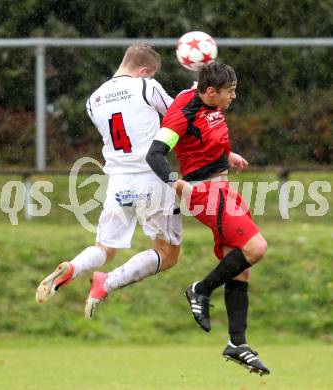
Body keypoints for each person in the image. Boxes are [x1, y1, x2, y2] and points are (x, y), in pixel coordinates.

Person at [36, 44, 182, 320]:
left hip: (117, 182)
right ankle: (108, 282)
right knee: (167, 253)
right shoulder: (146, 87)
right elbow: (178, 116)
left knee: (105, 248)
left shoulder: (93, 100)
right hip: (151, 177)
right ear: (143, 71)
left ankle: (74, 267)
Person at [144, 62, 270, 375]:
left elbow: (203, 137)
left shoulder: (207, 101)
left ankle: (237, 344)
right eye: (231, 91)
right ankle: (200, 288)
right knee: (256, 248)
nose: (234, 97)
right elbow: (155, 153)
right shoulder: (182, 112)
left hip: (222, 189)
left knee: (240, 268)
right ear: (211, 92)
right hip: (204, 193)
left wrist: (226, 156)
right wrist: (177, 182)